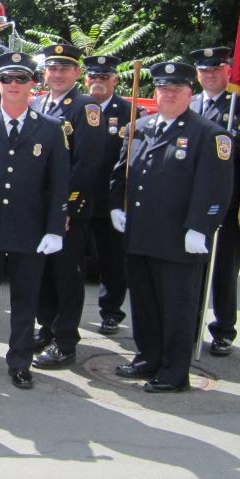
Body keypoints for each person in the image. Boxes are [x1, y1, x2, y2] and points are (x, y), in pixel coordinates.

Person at [110, 61, 233, 392]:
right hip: (140, 235)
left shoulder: (208, 134)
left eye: (176, 89)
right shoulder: (142, 127)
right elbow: (122, 173)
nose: (168, 94)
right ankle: (148, 356)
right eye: (163, 88)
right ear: (155, 92)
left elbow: (216, 188)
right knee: (145, 304)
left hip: (179, 239)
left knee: (177, 308)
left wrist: (201, 227)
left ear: (189, 93)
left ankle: (175, 372)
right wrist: (115, 206)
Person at [0, 51, 70, 389]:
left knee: (24, 300)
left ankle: (20, 362)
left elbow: (58, 183)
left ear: (33, 84)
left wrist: (54, 228)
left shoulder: (50, 129)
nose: (13, 85)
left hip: (29, 229)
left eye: (21, 79)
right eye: (7, 79)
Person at [30, 44, 104, 370]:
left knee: (66, 276)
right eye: (52, 68)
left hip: (66, 212)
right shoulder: (41, 103)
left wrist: (67, 211)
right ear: (45, 72)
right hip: (39, 208)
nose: (57, 74)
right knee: (43, 273)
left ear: (77, 73)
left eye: (65, 69)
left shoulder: (85, 107)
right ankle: (46, 327)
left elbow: (87, 165)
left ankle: (65, 341)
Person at [188, 47, 240, 356]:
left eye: (216, 69)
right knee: (193, 267)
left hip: (229, 203)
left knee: (223, 270)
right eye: (204, 70)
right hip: (193, 202)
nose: (209, 74)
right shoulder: (191, 104)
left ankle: (223, 329)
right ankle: (191, 324)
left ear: (228, 71)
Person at [83, 55, 140, 336]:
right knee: (69, 261)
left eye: (104, 77)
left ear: (115, 81)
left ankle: (111, 312)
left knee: (112, 261)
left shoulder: (129, 113)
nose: (98, 82)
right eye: (94, 77)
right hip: (79, 197)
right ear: (86, 79)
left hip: (110, 200)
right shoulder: (78, 108)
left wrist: (123, 202)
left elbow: (132, 161)